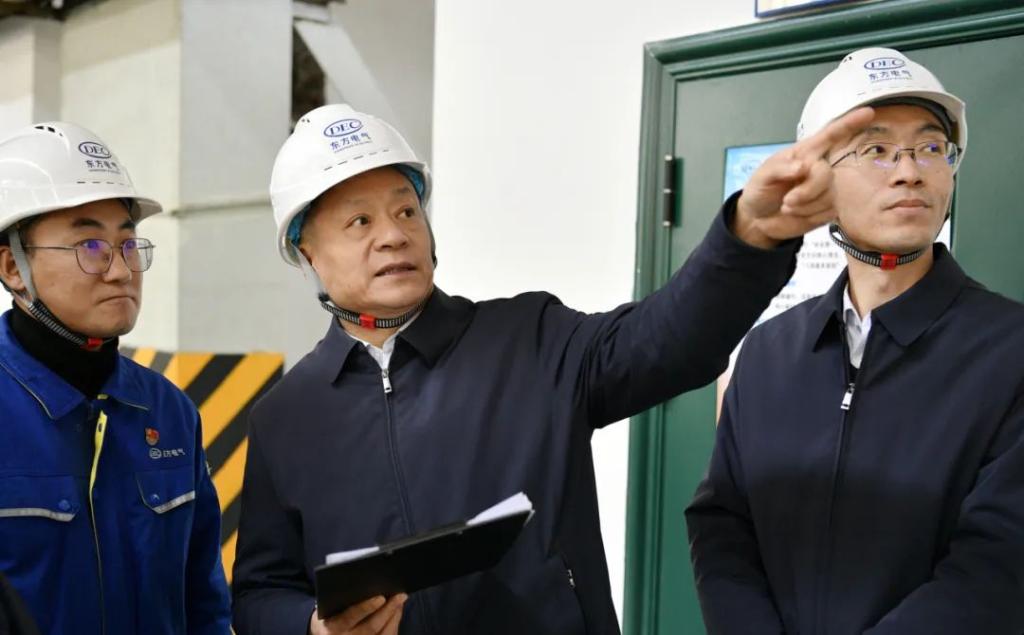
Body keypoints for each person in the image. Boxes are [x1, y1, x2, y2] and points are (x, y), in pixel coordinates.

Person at [231, 101, 872, 635]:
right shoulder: (287, 418)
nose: (395, 235)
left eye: (405, 210)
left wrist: (750, 239)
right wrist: (310, 627)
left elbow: (671, 340)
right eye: (360, 221)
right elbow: (259, 592)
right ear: (307, 251)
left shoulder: (529, 337)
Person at [686, 47, 1024, 634]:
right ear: (821, 180)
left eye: (930, 147)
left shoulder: (1009, 351)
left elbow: (998, 565)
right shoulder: (767, 352)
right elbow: (723, 525)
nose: (910, 171)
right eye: (875, 150)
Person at [0, 123, 232, 634]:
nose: (121, 271)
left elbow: (205, 606)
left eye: (127, 245)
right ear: (14, 268)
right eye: (90, 246)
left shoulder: (168, 412)